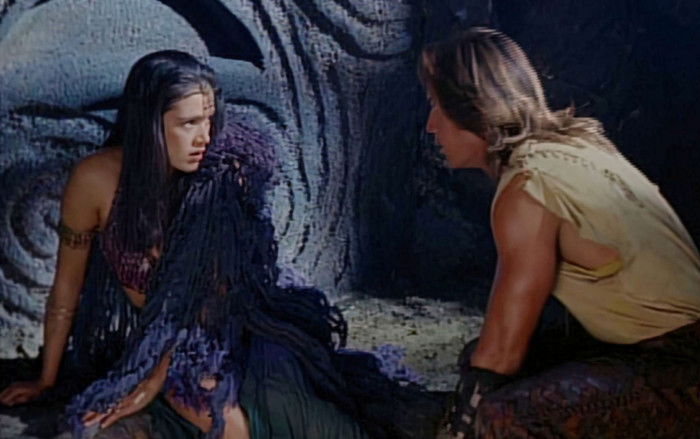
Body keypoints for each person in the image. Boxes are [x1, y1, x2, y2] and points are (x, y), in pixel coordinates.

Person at [0, 50, 440, 439]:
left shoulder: (222, 180)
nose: (205, 137)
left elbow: (210, 299)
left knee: (255, 411)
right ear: (149, 123)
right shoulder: (95, 180)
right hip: (155, 342)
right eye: (189, 123)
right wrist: (46, 379)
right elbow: (66, 289)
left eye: (209, 120)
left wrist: (154, 378)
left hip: (230, 328)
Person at [419, 27, 700, 439]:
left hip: (683, 382)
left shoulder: (528, 187)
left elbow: (501, 354)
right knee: (477, 361)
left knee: (501, 416)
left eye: (436, 106)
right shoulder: (576, 145)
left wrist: (460, 428)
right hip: (689, 355)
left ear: (472, 108)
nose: (431, 126)